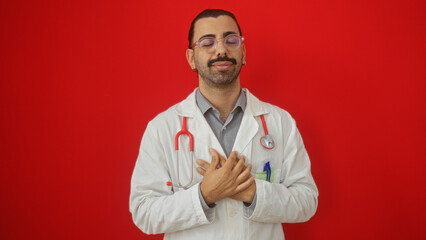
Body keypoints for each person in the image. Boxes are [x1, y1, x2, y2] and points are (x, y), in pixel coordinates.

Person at [130, 9, 318, 240]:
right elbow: (143, 213)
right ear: (191, 58)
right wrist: (204, 195)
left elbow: (307, 201)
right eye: (207, 42)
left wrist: (253, 193)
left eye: (231, 40)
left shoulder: (280, 122)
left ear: (243, 51)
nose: (221, 50)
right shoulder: (162, 128)